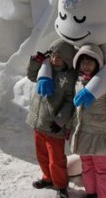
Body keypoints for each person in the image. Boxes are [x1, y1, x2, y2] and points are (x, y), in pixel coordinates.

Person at [69, 44, 106, 198]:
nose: (86, 65)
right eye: (83, 61)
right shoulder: (77, 83)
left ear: (98, 63)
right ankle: (91, 193)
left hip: (99, 135)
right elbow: (75, 110)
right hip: (83, 135)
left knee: (102, 169)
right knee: (87, 166)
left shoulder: (105, 84)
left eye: (90, 61)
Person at [26, 39, 78, 198]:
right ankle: (48, 178)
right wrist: (35, 62)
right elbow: (31, 75)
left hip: (54, 126)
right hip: (39, 122)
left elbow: (70, 102)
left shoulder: (69, 77)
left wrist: (60, 121)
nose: (55, 59)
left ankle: (61, 185)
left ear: (68, 60)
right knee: (41, 156)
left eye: (60, 57)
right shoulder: (44, 68)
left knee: (56, 160)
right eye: (53, 55)